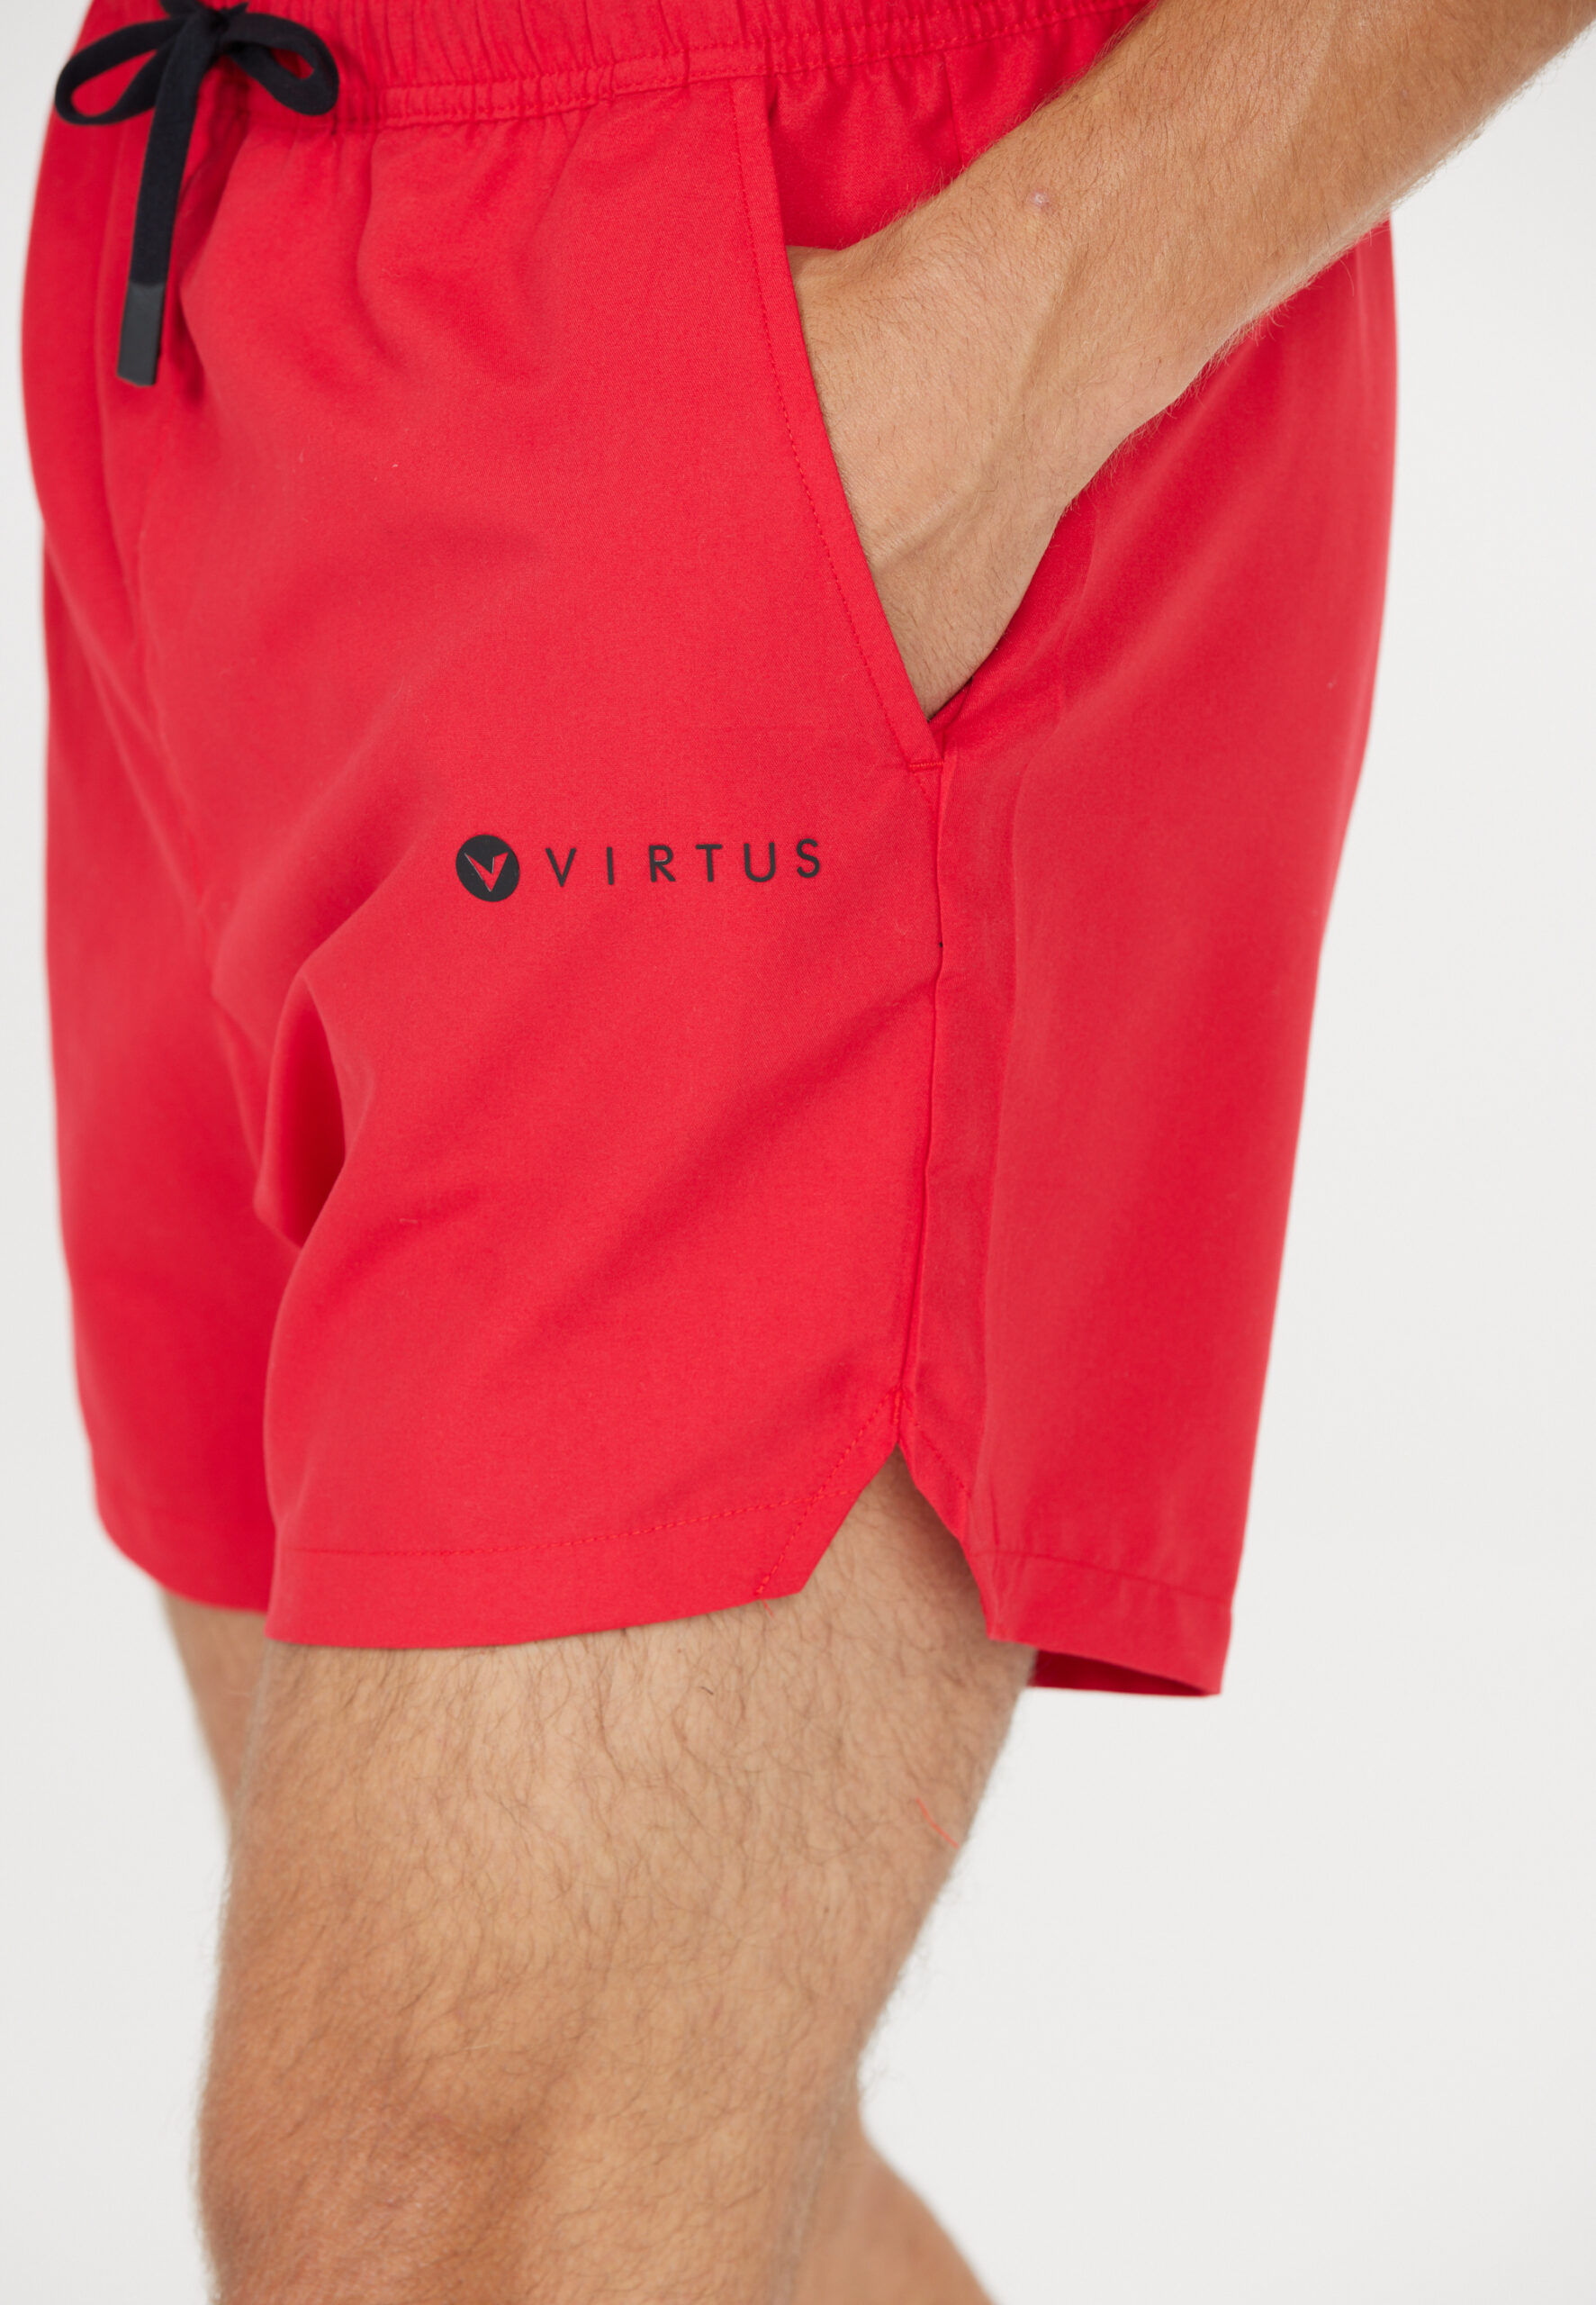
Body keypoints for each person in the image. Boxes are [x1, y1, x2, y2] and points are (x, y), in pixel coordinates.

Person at [23, 0, 1592, 2297]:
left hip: (808, 240)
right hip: (222, 237)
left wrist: (997, 348)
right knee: (640, 2165)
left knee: (441, 2206)